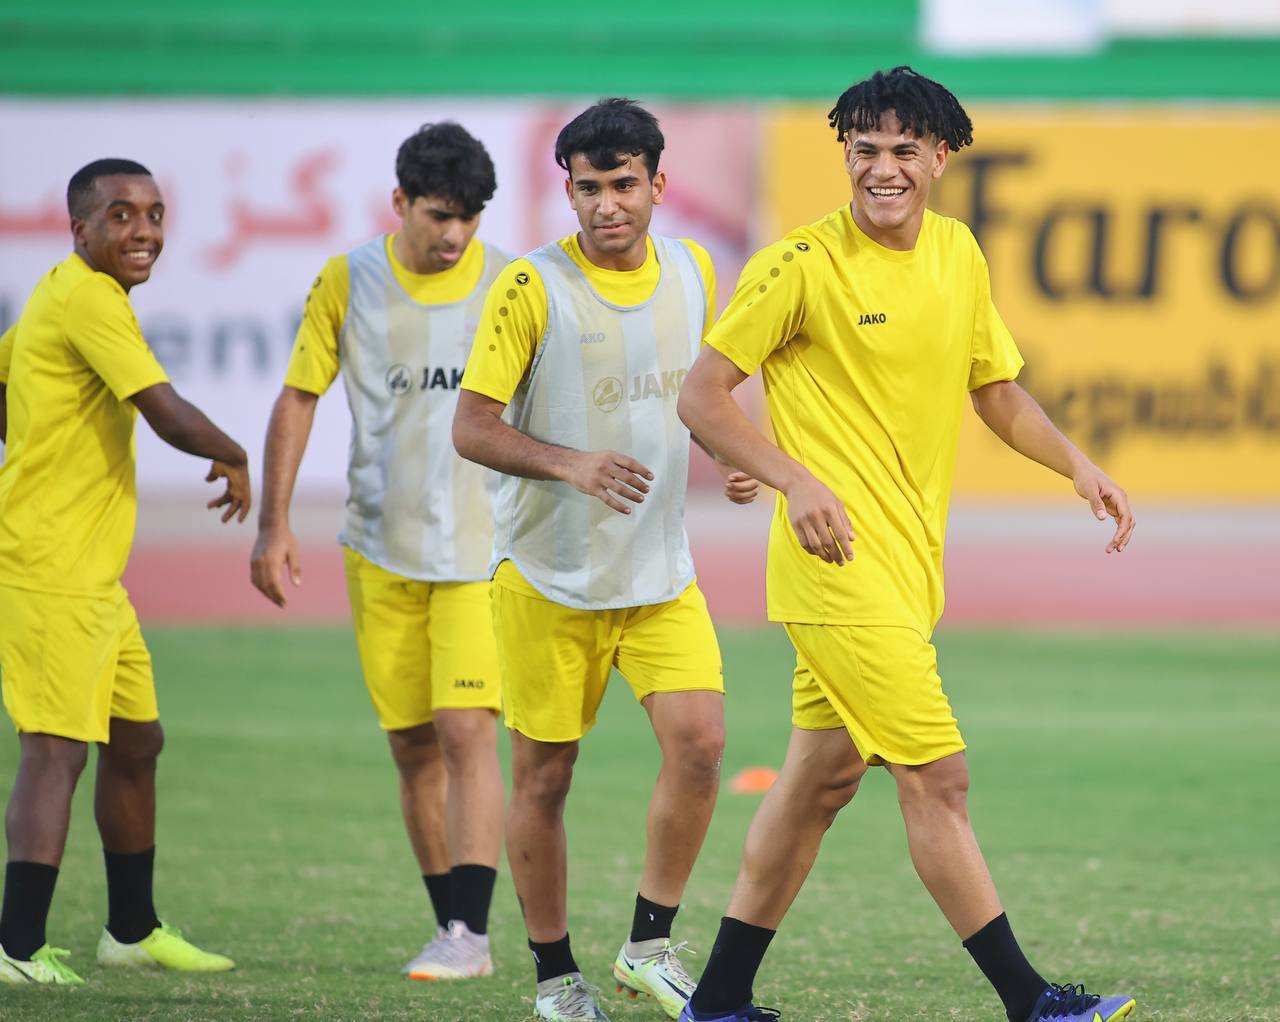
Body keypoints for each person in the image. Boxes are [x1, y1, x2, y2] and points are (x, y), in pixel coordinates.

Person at [673, 67, 1138, 1022]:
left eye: (903, 151)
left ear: (939, 159)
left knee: (819, 783)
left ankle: (717, 1002)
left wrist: (1076, 465)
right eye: (865, 150)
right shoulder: (799, 264)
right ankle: (1032, 1001)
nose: (882, 169)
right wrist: (794, 478)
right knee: (939, 778)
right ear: (845, 156)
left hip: (909, 571)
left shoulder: (958, 252)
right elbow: (702, 395)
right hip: (835, 571)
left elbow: (995, 389)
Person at [453, 98, 757, 1022]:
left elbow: (695, 397)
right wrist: (569, 463)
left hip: (659, 572)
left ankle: (648, 948)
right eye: (587, 188)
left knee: (702, 747)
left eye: (623, 185)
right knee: (545, 779)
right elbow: (471, 427)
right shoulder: (531, 287)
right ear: (569, 192)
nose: (606, 205)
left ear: (659, 184)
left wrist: (732, 457)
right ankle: (556, 979)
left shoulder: (693, 268)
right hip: (550, 579)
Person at [250, 122, 508, 980]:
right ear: (399, 201)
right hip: (380, 548)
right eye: (439, 215)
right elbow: (298, 397)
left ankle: (470, 933)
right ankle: (450, 926)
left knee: (467, 731)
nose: (455, 234)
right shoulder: (348, 279)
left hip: (479, 555)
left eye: (469, 217)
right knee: (413, 749)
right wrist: (273, 524)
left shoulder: (509, 283)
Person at [0, 159, 249, 984]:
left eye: (154, 214)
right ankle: (16, 947)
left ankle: (132, 930)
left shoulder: (62, 289)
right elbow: (166, 412)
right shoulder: (89, 299)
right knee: (55, 753)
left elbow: (3, 376)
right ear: (80, 228)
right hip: (49, 569)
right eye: (120, 215)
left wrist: (36, 442)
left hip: (94, 578)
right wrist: (234, 453)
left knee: (137, 741)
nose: (143, 231)